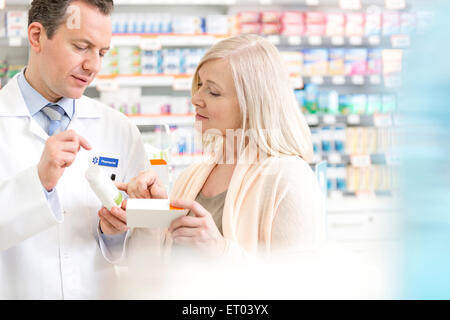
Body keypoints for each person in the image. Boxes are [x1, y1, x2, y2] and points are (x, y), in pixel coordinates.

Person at [100, 34, 325, 262]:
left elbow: (301, 285)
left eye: (213, 91)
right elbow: (148, 274)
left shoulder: (288, 178)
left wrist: (219, 250)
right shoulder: (192, 178)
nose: (196, 98)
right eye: (199, 85)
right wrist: (151, 217)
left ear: (253, 103)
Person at [0, 0, 149, 299]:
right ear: (37, 36)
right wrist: (38, 183)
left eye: (102, 52)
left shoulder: (120, 129)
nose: (94, 66)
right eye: (81, 47)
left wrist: (117, 234)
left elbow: (141, 253)